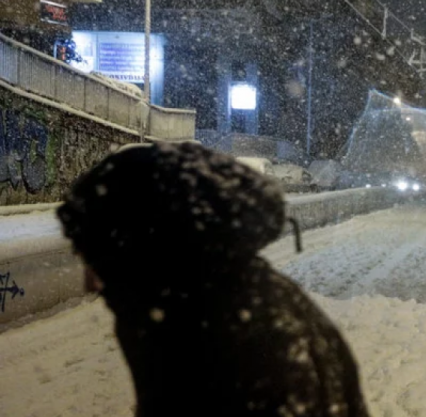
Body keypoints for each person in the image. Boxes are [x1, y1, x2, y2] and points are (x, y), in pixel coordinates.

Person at [57, 142, 370, 417]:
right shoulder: (239, 299)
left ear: (143, 250)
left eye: (95, 257)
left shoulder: (214, 336)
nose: (89, 283)